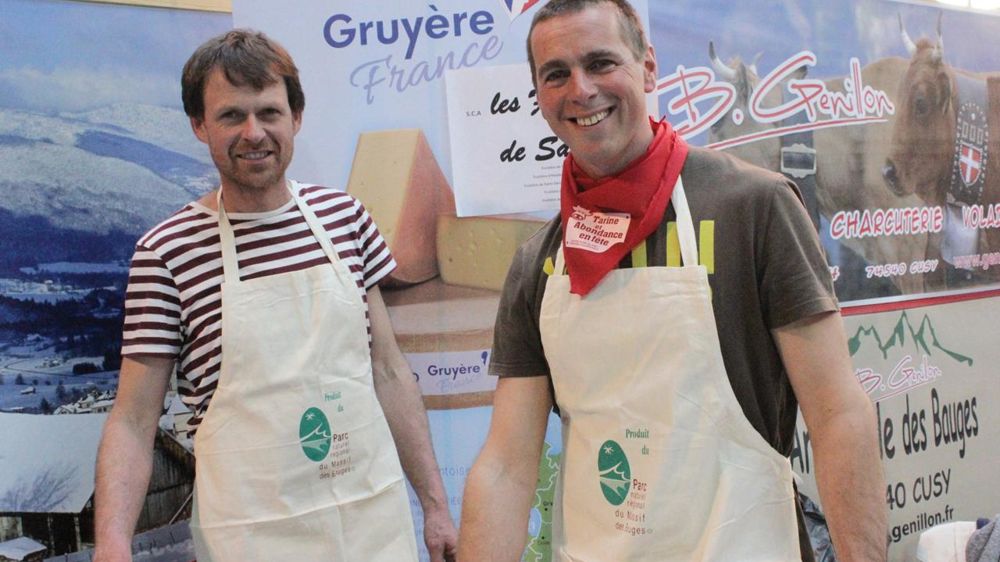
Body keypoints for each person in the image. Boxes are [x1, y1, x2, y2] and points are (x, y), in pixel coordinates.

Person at [458, 1, 887, 561]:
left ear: (649, 67)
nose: (580, 89)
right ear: (538, 94)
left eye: (601, 62)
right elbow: (507, 468)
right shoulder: (539, 262)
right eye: (556, 73)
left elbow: (837, 414)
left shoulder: (754, 208)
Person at [93, 29, 457, 562]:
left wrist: (436, 507)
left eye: (269, 112)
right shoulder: (166, 252)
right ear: (199, 125)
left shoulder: (345, 220)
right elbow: (132, 420)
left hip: (370, 522)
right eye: (230, 116)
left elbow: (389, 371)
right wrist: (112, 543)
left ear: (296, 117)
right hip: (252, 536)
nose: (253, 132)